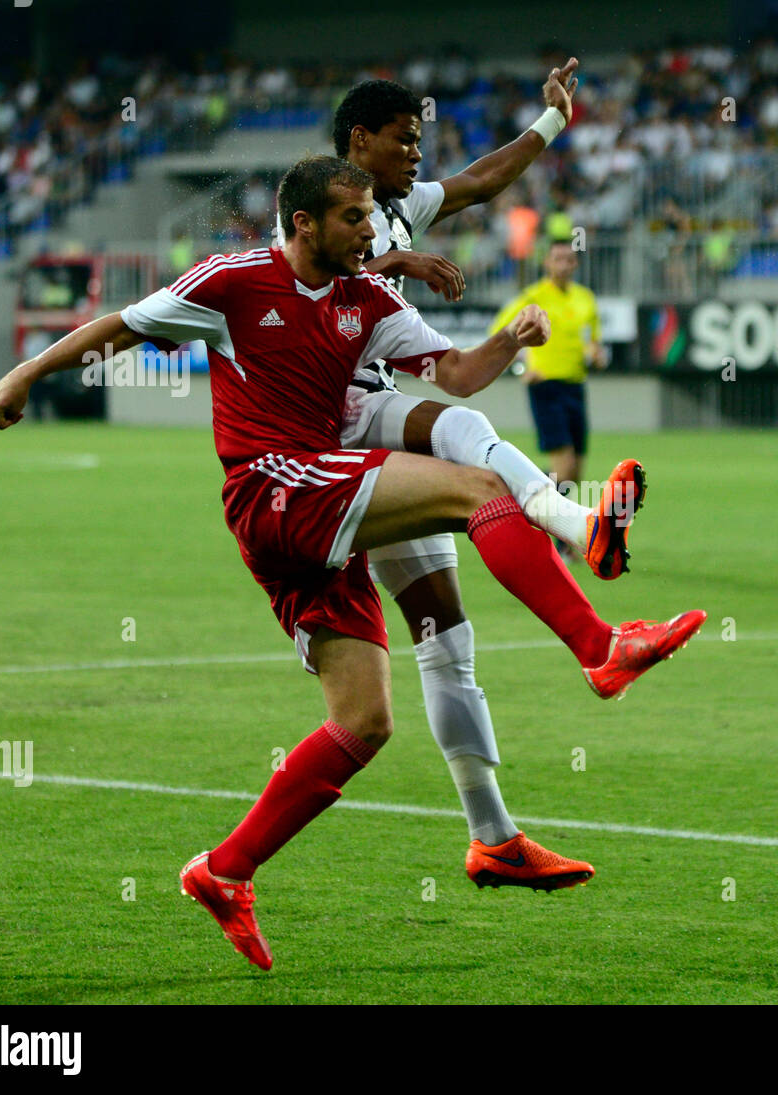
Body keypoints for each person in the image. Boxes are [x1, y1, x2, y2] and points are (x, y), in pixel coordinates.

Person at [0, 156, 707, 970]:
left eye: (372, 216)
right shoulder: (233, 281)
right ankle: (597, 645)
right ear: (303, 225)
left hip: (317, 506)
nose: (373, 231)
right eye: (355, 218)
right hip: (271, 487)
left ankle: (225, 870)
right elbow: (121, 322)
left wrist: (510, 337)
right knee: (476, 488)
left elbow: (458, 374)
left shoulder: (368, 299)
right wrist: (23, 372)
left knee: (364, 721)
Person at [318, 62, 626, 875]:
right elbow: (311, 279)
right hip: (330, 422)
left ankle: (493, 838)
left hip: (371, 415)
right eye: (404, 139)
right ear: (361, 140)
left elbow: (484, 179)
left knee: (446, 636)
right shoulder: (320, 204)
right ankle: (580, 524)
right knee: (461, 425)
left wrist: (552, 120)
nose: (418, 153)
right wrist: (399, 267)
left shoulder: (398, 206)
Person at [491, 238, 607, 562]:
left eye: (569, 260)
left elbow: (593, 342)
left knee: (575, 470)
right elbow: (500, 331)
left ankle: (531, 493)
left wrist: (595, 353)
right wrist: (521, 365)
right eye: (558, 259)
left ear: (575, 265)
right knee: (565, 466)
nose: (564, 265)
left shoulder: (586, 300)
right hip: (546, 388)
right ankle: (560, 535)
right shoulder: (533, 297)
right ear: (547, 263)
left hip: (575, 387)